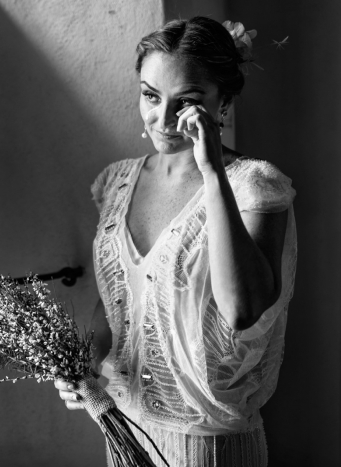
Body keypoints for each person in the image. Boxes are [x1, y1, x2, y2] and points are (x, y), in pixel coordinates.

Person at [54, 16, 297, 467]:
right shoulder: (117, 181)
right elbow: (117, 303)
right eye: (150, 95)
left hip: (210, 445)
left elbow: (242, 309)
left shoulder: (256, 185)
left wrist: (211, 174)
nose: (162, 119)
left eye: (184, 101)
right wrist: (83, 361)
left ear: (223, 102)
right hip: (125, 428)